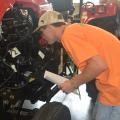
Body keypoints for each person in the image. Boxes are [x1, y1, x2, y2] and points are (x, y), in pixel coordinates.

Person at [34, 11, 120, 120]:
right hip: (109, 86)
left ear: (49, 27)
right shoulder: (73, 30)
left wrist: (73, 83)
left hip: (116, 87)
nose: (43, 37)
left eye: (42, 32)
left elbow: (98, 65)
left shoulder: (68, 35)